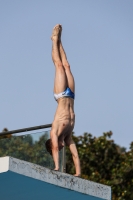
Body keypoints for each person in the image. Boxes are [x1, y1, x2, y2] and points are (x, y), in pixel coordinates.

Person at [45, 24, 81, 177]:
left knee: (59, 66)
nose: (60, 148)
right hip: (71, 95)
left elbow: (53, 148)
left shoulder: (55, 132)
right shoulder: (68, 136)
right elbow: (75, 155)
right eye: (60, 148)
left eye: (59, 148)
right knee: (67, 65)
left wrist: (56, 167)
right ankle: (60, 40)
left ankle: (54, 41)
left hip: (60, 95)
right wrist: (78, 173)